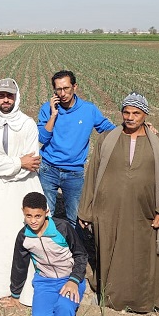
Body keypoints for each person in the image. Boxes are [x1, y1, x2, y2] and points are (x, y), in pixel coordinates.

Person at [77, 92, 159, 312]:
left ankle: (143, 301)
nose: (130, 117)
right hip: (108, 210)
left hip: (145, 212)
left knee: (142, 256)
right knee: (109, 253)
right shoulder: (107, 139)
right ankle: (110, 297)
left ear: (145, 115)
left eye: (136, 113)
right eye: (126, 112)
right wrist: (85, 210)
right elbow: (92, 175)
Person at [0, 78, 43, 305]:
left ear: (16, 97)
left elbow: (31, 162)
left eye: (9, 95)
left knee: (23, 237)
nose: (5, 100)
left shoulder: (28, 124)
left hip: (22, 189)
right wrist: (17, 162)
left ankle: (23, 291)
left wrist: (13, 166)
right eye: (1, 96)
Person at [0, 192, 87, 316]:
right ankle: (61, 315)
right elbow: (19, 265)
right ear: (23, 212)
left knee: (64, 309)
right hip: (45, 281)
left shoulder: (62, 228)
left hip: (69, 279)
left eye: (37, 216)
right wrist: (15, 294)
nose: (33, 221)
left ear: (46, 212)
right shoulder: (23, 236)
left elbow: (81, 255)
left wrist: (74, 280)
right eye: (29, 216)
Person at [37, 70, 115, 227]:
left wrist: (137, 130)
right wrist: (53, 115)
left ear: (75, 87)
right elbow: (43, 138)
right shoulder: (47, 109)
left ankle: (75, 249)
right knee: (45, 215)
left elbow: (109, 129)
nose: (63, 93)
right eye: (58, 89)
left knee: (76, 217)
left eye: (66, 88)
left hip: (74, 172)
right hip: (48, 170)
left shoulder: (89, 110)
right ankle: (48, 248)